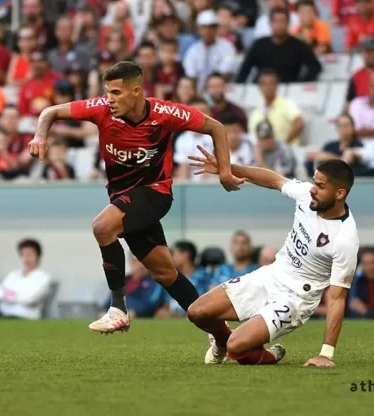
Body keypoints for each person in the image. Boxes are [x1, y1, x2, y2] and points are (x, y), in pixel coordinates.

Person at [29, 61, 244, 335]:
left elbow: (216, 127)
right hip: (125, 200)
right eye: (107, 92)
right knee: (166, 274)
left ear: (136, 92)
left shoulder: (165, 113)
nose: (110, 99)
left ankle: (117, 308)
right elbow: (50, 111)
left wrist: (225, 172)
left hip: (155, 194)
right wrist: (40, 136)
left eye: (116, 93)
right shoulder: (101, 109)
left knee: (102, 226)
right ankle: (224, 335)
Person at [187, 151, 359, 367]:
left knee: (237, 347)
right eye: (315, 182)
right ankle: (221, 340)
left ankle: (270, 355)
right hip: (271, 275)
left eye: (321, 186)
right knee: (197, 312)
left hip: (295, 298)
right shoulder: (307, 195)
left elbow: (337, 298)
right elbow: (274, 180)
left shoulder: (345, 238)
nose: (313, 189)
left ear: (340, 193)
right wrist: (227, 168)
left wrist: (326, 354)